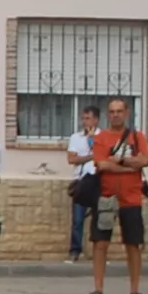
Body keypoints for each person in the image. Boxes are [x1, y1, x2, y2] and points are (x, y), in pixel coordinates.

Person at [87, 97, 148, 294]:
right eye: (112, 111)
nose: (115, 115)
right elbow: (102, 164)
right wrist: (130, 166)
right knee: (100, 244)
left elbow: (144, 161)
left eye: (119, 111)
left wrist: (121, 161)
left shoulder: (137, 136)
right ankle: (98, 290)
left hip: (131, 198)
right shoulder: (102, 138)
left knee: (133, 245)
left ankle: (134, 291)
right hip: (106, 197)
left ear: (127, 113)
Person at [64, 105, 100, 261]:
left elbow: (101, 155)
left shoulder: (103, 137)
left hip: (97, 180)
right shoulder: (75, 137)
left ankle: (98, 251)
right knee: (77, 219)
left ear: (96, 120)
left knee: (98, 218)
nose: (85, 122)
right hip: (81, 180)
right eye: (83, 118)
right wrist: (90, 157)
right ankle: (75, 250)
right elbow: (72, 159)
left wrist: (92, 140)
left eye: (88, 118)